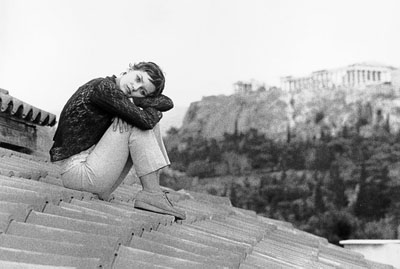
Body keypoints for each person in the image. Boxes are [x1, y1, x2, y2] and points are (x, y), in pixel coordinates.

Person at [49, 62, 186, 220]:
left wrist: (136, 105)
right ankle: (152, 193)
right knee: (138, 124)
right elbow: (147, 121)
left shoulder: (116, 96)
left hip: (98, 175)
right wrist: (137, 110)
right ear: (131, 69)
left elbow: (167, 103)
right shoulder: (103, 88)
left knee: (139, 121)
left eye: (142, 91)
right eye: (138, 78)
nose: (135, 87)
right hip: (78, 175)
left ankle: (154, 192)